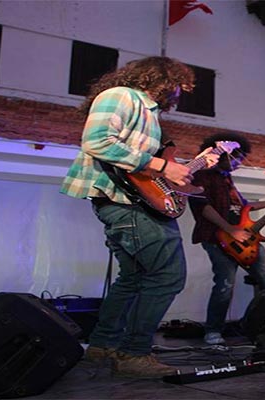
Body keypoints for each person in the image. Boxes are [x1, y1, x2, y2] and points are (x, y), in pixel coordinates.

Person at [60, 56, 218, 378]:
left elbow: (145, 165)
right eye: (177, 86)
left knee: (133, 278)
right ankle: (133, 354)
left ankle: (103, 346)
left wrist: (188, 166)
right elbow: (97, 141)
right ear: (160, 79)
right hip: (124, 202)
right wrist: (164, 167)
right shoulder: (121, 96)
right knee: (167, 276)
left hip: (130, 199)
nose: (178, 94)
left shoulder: (148, 113)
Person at [189, 132, 265, 346]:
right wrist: (231, 229)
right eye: (237, 157)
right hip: (216, 237)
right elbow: (203, 207)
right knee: (225, 283)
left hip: (243, 239)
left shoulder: (226, 178)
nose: (239, 162)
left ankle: (259, 324)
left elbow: (244, 206)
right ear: (224, 154)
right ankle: (212, 331)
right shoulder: (201, 175)